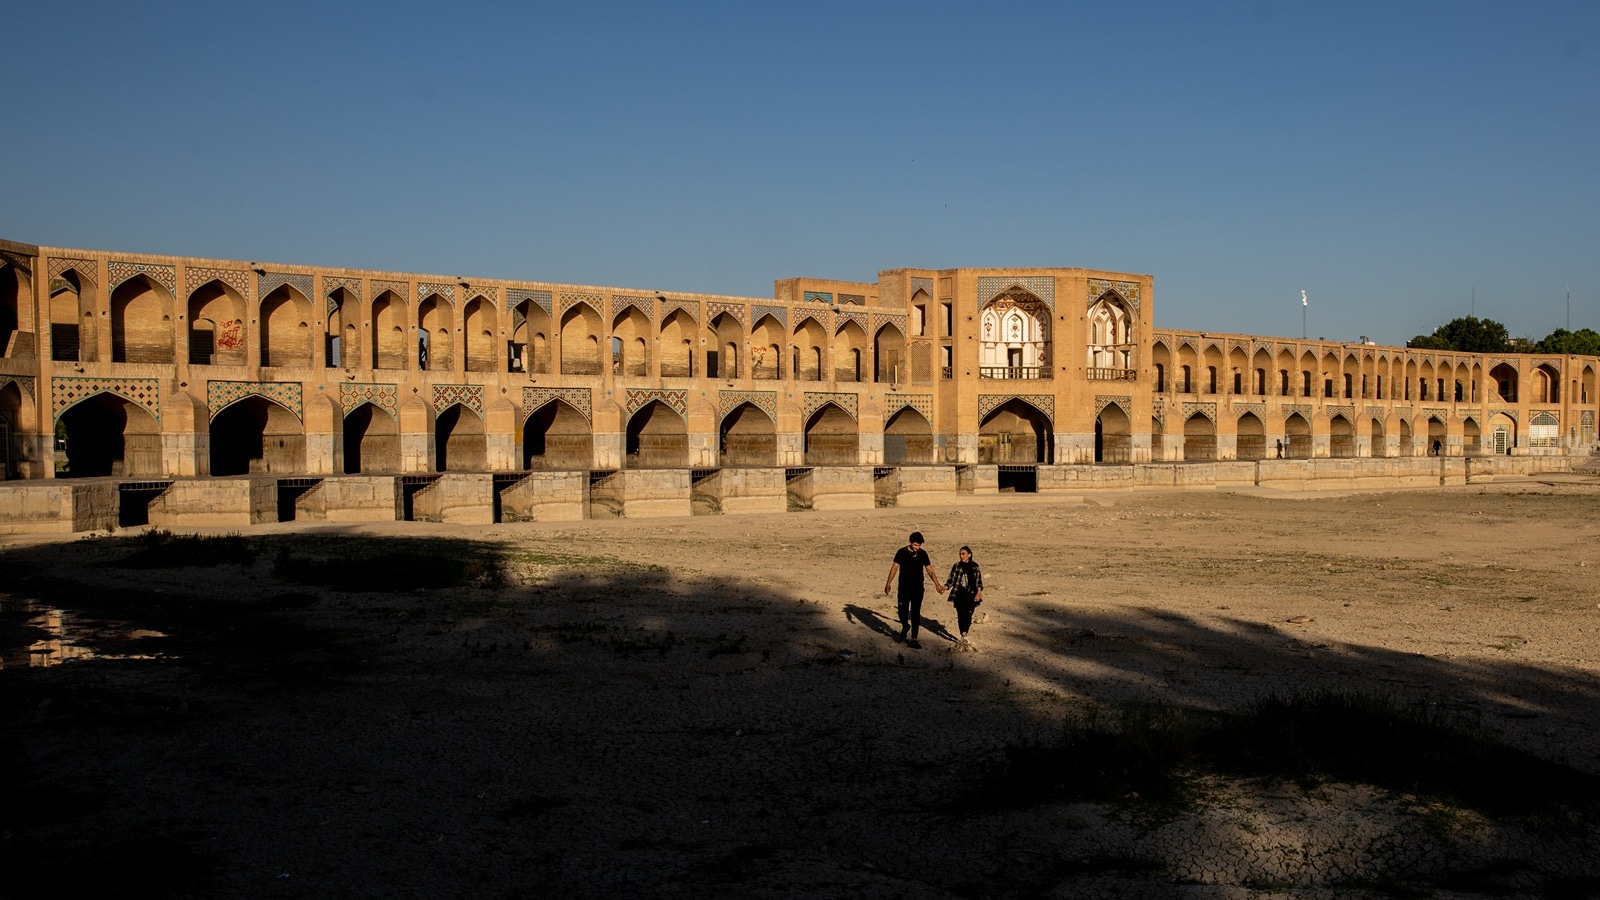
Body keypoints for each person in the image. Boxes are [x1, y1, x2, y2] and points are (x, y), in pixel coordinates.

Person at [885, 531, 943, 648]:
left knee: (916, 613)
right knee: (902, 611)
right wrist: (888, 582)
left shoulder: (923, 554)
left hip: (917, 589)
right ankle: (905, 625)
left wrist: (937, 584)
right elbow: (894, 567)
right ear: (911, 543)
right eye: (915, 545)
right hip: (904, 588)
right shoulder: (901, 552)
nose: (917, 547)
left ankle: (914, 639)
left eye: (919, 545)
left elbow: (929, 569)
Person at [945, 545, 984, 649]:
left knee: (969, 615)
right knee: (961, 614)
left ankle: (965, 632)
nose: (961, 556)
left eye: (963, 554)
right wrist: (945, 587)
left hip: (971, 594)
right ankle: (964, 635)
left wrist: (978, 593)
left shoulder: (975, 567)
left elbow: (978, 581)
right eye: (960, 554)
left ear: (969, 555)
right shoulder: (957, 566)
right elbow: (951, 579)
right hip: (959, 594)